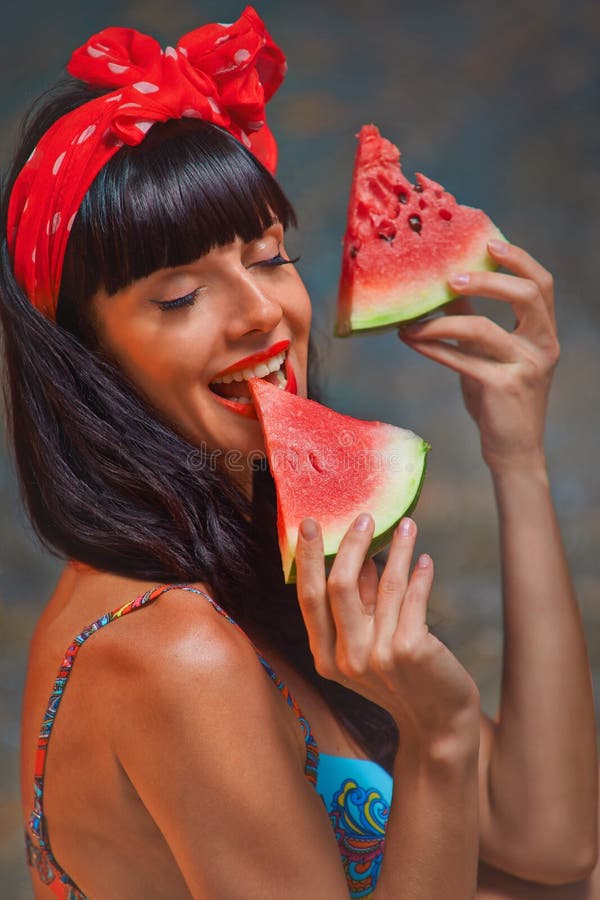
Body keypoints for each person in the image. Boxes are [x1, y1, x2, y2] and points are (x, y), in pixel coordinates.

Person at [1, 6, 597, 899]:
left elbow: (551, 842)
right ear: (88, 354)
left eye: (268, 257)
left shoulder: (259, 561)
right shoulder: (170, 653)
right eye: (178, 297)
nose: (261, 314)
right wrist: (438, 739)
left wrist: (517, 456)